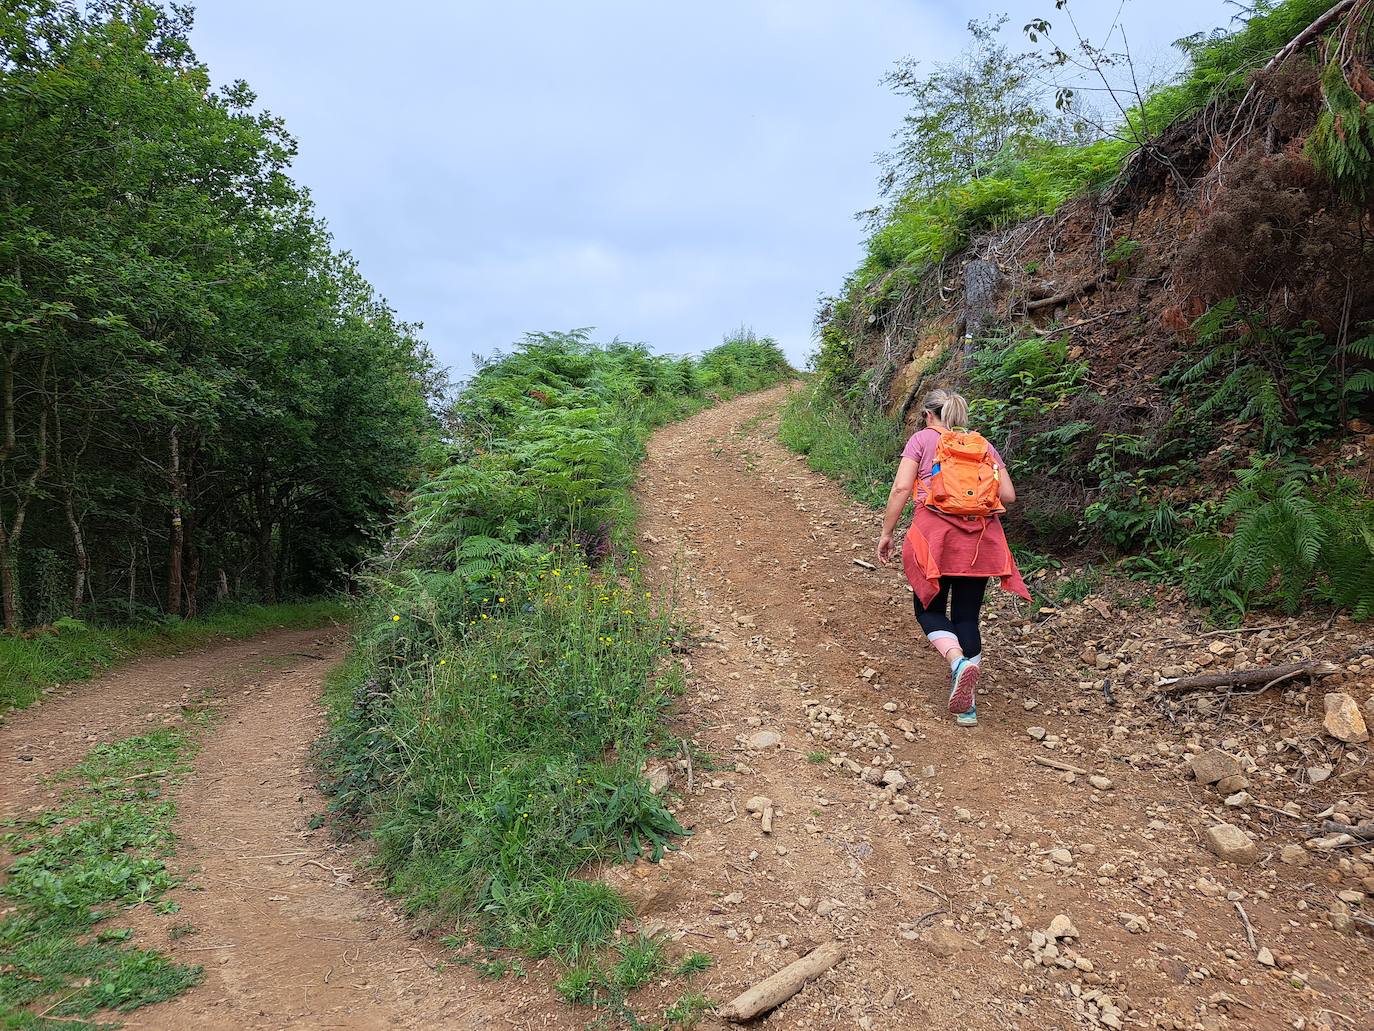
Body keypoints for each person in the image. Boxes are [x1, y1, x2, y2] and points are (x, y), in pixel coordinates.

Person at [876, 387, 1030, 726]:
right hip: (980, 542)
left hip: (934, 538)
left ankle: (958, 662)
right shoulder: (982, 445)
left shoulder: (922, 440)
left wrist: (887, 533)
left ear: (928, 415)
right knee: (966, 617)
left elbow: (901, 487)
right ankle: (968, 707)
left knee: (928, 610)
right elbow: (1008, 494)